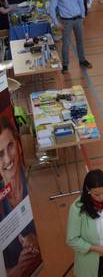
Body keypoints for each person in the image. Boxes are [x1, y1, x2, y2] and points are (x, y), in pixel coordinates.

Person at [0, 117, 42, 276]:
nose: (8, 159)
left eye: (10, 146)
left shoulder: (33, 182)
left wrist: (36, 239)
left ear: (18, 145)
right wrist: (19, 268)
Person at [49, 0, 92, 74]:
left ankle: (82, 60)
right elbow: (51, 8)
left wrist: (83, 15)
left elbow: (81, 2)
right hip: (66, 21)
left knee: (80, 41)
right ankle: (65, 65)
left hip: (78, 19)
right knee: (66, 44)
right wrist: (56, 23)